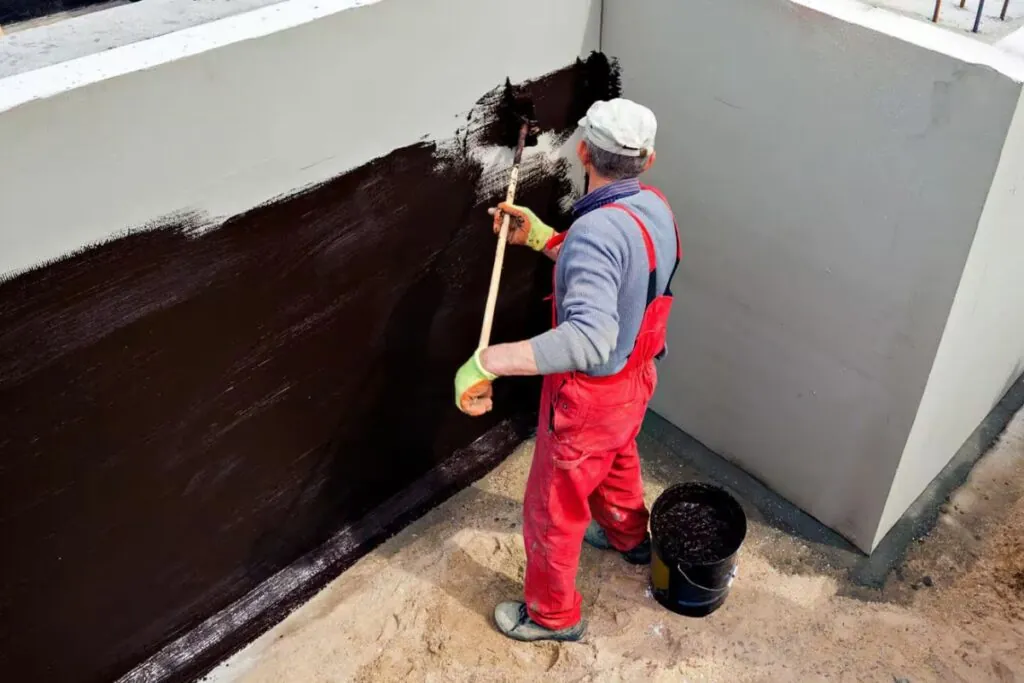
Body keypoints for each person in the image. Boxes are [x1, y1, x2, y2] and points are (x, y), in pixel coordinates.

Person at [454, 98, 680, 642]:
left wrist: (487, 360)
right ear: (648, 160)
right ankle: (629, 538)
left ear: (583, 151)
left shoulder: (596, 233)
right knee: (618, 458)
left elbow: (587, 338)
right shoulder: (654, 208)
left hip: (590, 397)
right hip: (635, 381)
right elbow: (624, 280)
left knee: (553, 510)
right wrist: (541, 236)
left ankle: (554, 616)